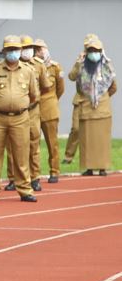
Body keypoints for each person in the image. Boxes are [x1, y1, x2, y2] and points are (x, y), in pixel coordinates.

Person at [0, 35, 37, 202]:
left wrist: (19, 106)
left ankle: (25, 189)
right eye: (9, 49)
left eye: (15, 49)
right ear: (4, 52)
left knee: (21, 154)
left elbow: (33, 96)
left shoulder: (28, 71)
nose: (13, 52)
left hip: (20, 117)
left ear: (20, 51)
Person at [4, 35, 49, 192]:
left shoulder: (39, 65)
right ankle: (13, 178)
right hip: (15, 112)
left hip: (32, 111)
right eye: (24, 48)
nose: (27, 51)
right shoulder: (10, 65)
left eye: (30, 48)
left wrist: (32, 101)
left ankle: (35, 178)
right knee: (12, 146)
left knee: (33, 144)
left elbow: (45, 87)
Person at [68, 35, 117, 176]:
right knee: (87, 140)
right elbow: (71, 77)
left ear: (101, 51)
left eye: (96, 50)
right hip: (86, 108)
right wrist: (78, 63)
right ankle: (89, 168)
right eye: (91, 50)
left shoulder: (107, 65)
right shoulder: (82, 65)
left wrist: (103, 97)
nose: (93, 53)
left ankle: (102, 168)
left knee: (102, 140)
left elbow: (113, 86)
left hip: (103, 110)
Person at [62, 33, 99, 164]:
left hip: (95, 101)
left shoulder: (102, 61)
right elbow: (71, 77)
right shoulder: (81, 61)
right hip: (80, 100)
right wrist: (78, 63)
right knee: (76, 129)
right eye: (87, 46)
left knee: (93, 133)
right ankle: (68, 157)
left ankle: (92, 160)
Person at [34, 38, 64, 183]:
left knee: (52, 143)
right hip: (33, 110)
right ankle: (35, 174)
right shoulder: (30, 66)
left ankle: (54, 171)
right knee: (33, 144)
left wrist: (51, 100)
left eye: (40, 49)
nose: (38, 52)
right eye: (36, 49)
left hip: (49, 108)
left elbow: (60, 89)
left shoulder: (55, 67)